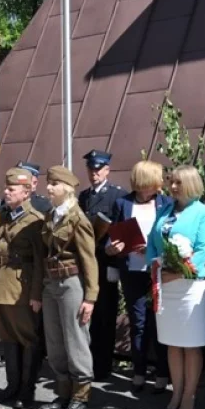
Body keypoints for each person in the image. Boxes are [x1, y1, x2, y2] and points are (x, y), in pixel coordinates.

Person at [148, 165, 205, 409]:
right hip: (165, 286)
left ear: (190, 183)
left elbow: (202, 251)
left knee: (191, 345)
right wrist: (153, 267)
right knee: (173, 344)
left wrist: (175, 273)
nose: (172, 186)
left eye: (178, 182)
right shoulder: (165, 210)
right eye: (171, 182)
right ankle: (175, 393)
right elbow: (152, 240)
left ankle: (189, 395)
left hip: (190, 286)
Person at [37, 166, 100, 409]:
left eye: (53, 184)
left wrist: (90, 297)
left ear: (66, 187)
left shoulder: (77, 218)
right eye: (48, 183)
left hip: (72, 283)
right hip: (51, 283)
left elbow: (89, 259)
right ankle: (63, 393)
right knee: (54, 342)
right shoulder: (52, 215)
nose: (48, 188)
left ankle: (80, 396)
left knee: (76, 340)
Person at [106, 160, 172, 394]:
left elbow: (173, 236)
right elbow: (112, 235)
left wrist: (154, 250)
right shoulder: (123, 203)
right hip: (132, 270)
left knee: (160, 323)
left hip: (158, 271)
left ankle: (163, 373)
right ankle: (139, 372)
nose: (157, 184)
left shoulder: (167, 203)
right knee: (139, 323)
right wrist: (112, 248)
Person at [0, 168, 46, 408]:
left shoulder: (34, 221)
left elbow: (40, 262)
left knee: (28, 339)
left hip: (22, 289)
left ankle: (26, 390)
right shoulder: (3, 217)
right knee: (8, 338)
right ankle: (11, 386)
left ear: (26, 192)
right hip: (2, 287)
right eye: (6, 188)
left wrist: (35, 294)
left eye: (12, 189)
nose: (6, 192)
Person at [79, 150, 125, 381]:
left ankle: (103, 367)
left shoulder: (117, 195)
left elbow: (121, 228)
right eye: (91, 169)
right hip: (87, 262)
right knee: (87, 314)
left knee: (105, 315)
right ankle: (87, 361)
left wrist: (111, 247)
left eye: (98, 169)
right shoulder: (83, 196)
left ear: (107, 170)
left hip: (106, 261)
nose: (94, 173)